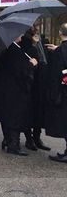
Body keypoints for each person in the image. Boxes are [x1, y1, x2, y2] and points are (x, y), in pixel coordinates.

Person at [0, 36, 37, 156]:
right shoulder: (15, 52)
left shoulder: (6, 50)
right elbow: (21, 71)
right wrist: (32, 64)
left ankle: (8, 140)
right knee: (14, 117)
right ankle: (13, 144)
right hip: (15, 91)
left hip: (5, 90)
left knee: (6, 116)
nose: (21, 36)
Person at [21, 24, 51, 151]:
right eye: (34, 26)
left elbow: (46, 58)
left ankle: (37, 137)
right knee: (29, 109)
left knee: (39, 109)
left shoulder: (43, 40)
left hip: (42, 79)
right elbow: (25, 59)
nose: (36, 28)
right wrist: (32, 44)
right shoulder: (25, 42)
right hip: (31, 80)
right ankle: (29, 138)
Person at [45, 23, 67, 163]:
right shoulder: (62, 49)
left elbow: (56, 73)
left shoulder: (61, 51)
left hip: (63, 91)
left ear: (60, 33)